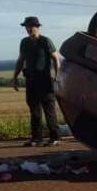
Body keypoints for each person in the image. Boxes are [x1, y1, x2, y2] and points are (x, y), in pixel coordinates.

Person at [11, 16, 61, 147]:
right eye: (26, 27)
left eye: (30, 26)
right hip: (31, 81)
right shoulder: (24, 42)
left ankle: (55, 137)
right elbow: (21, 60)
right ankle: (37, 138)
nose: (28, 29)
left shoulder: (46, 41)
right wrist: (15, 77)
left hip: (45, 81)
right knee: (34, 110)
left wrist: (58, 76)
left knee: (49, 109)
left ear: (37, 27)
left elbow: (56, 58)